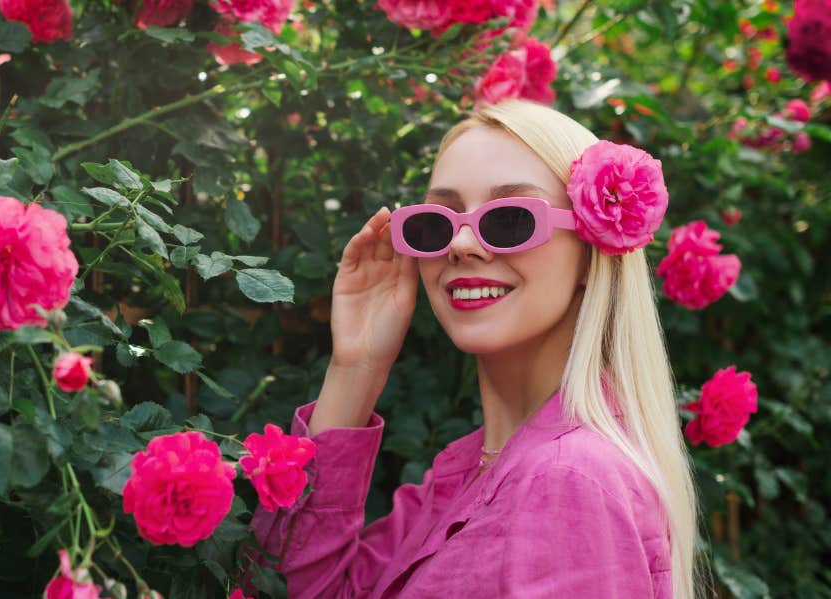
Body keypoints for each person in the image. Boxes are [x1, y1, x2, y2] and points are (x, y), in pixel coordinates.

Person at [249, 100, 703, 598]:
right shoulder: (475, 471)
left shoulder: (566, 480)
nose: (462, 244)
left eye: (509, 219)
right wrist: (355, 367)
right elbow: (283, 589)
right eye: (436, 224)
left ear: (591, 255)